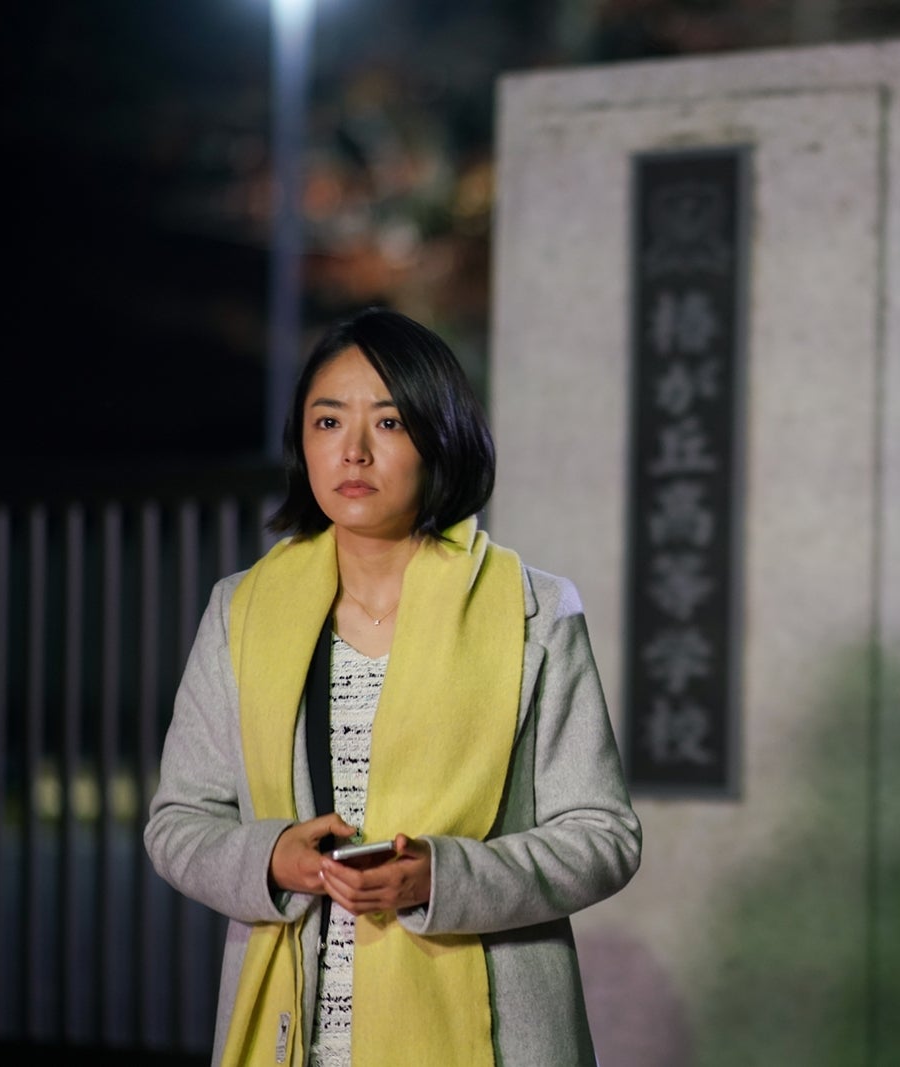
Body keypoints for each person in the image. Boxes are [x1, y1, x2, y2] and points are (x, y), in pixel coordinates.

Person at [145, 306, 641, 1067]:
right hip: (296, 1032)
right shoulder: (242, 611)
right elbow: (179, 821)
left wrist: (443, 877)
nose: (353, 450)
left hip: (488, 1032)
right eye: (327, 421)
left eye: (388, 423)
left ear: (440, 438)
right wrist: (272, 858)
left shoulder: (531, 610)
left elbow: (602, 835)